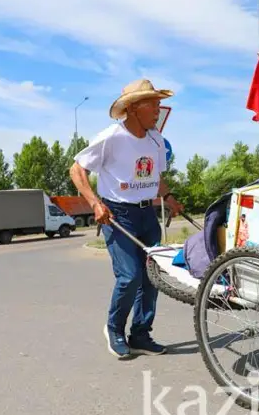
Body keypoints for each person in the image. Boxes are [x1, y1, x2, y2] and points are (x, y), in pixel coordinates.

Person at [69, 78, 185, 359]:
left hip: (147, 213)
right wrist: (95, 203)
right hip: (117, 214)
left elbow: (155, 177)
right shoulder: (111, 137)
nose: (158, 109)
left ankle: (141, 334)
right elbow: (77, 169)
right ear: (133, 108)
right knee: (129, 276)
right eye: (152, 103)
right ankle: (114, 329)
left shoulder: (156, 139)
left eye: (159, 103)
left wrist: (169, 199)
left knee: (151, 278)